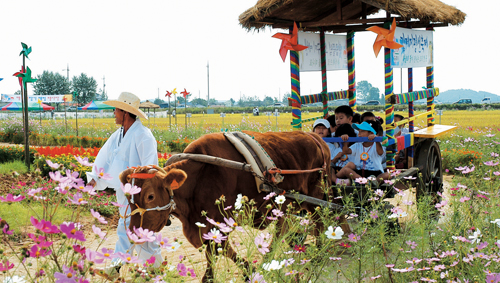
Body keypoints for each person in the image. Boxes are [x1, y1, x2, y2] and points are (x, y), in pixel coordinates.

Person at [87, 92, 162, 276]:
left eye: (116, 109)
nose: (114, 112)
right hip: (124, 193)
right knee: (126, 229)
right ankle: (123, 267)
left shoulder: (143, 135)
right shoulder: (118, 135)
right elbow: (105, 156)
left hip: (140, 195)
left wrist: (146, 195)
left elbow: (151, 166)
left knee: (143, 232)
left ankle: (152, 269)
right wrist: (95, 176)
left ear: (125, 113)